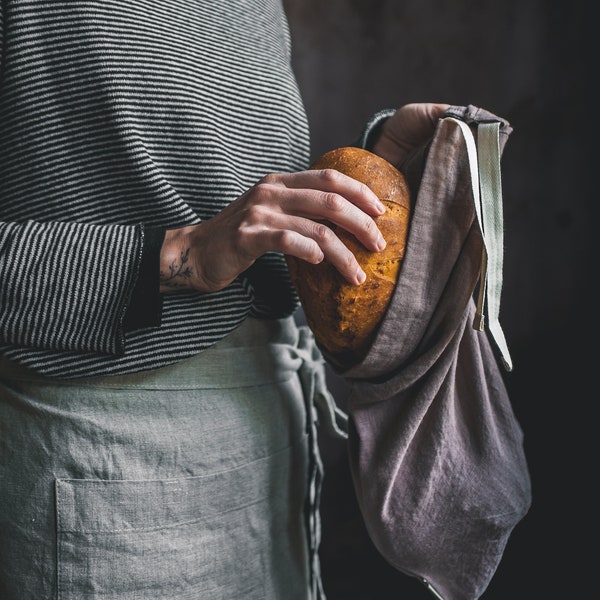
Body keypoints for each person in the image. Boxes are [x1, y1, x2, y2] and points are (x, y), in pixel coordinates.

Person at [0, 1, 448, 598]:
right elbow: (201, 230)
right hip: (112, 473)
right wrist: (181, 254)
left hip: (279, 437)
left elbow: (214, 193)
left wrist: (368, 187)